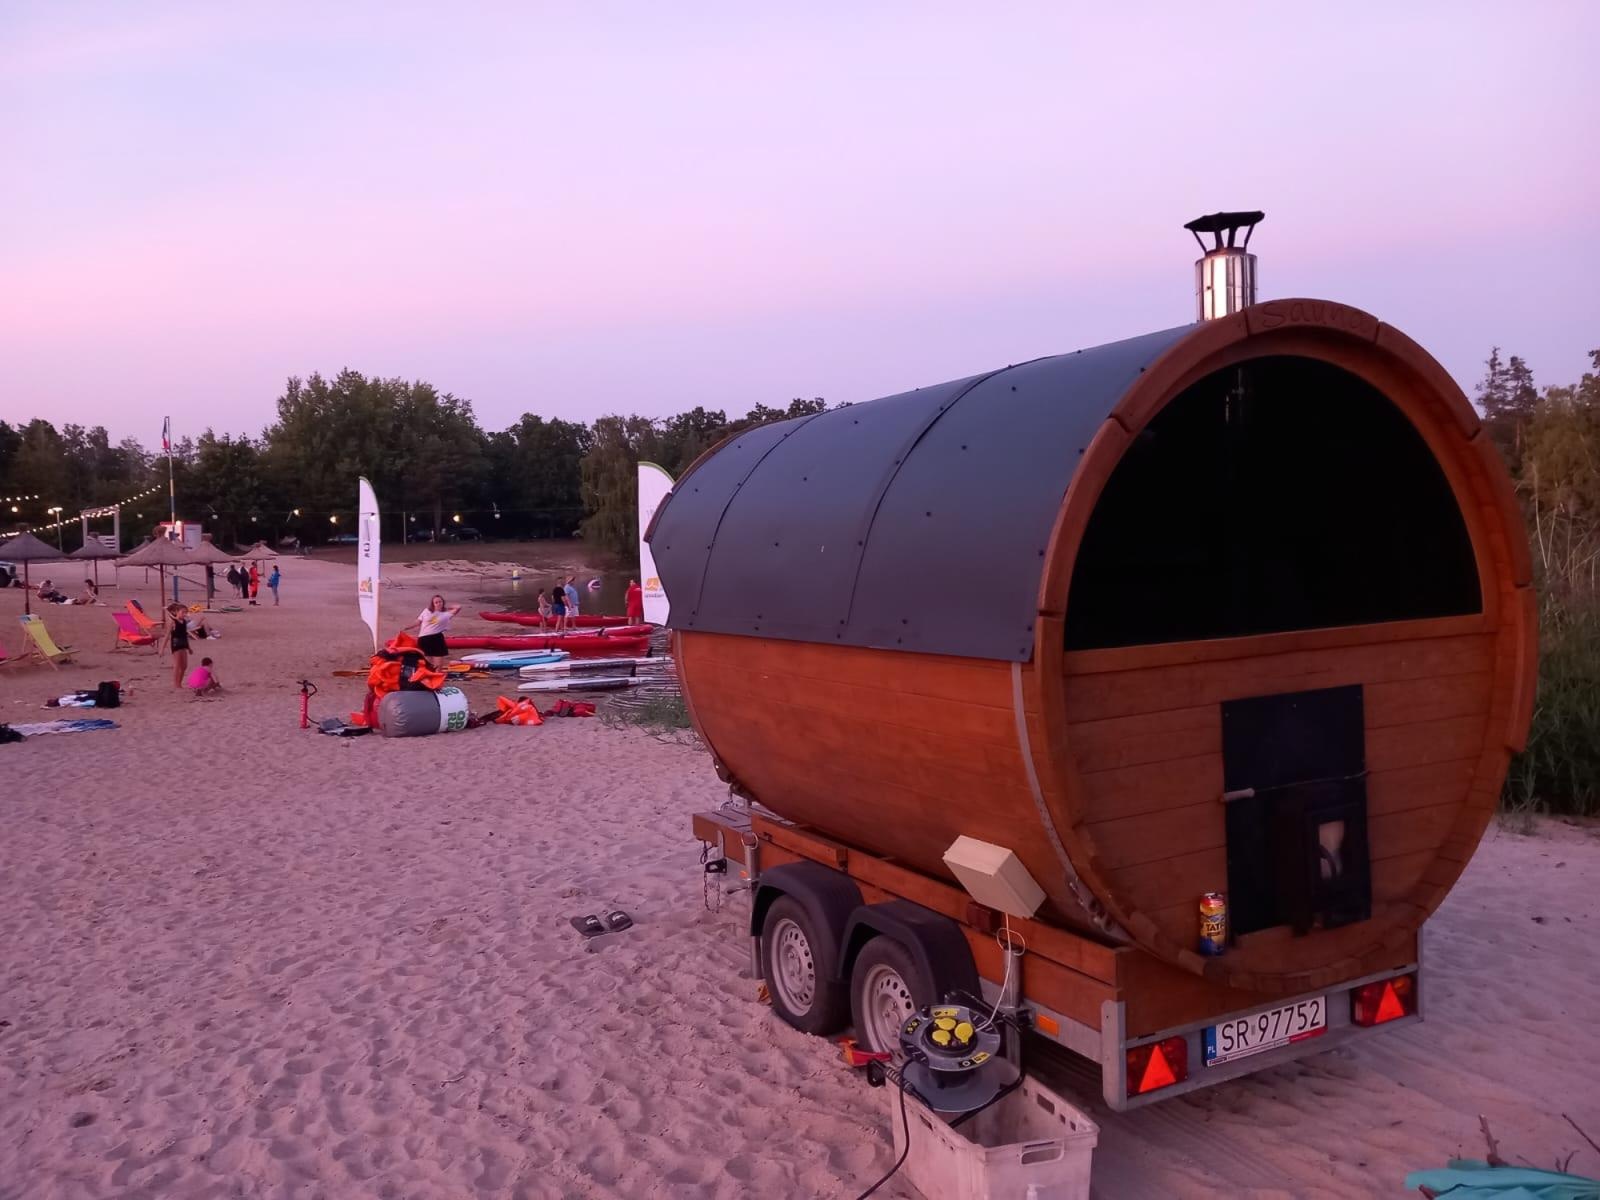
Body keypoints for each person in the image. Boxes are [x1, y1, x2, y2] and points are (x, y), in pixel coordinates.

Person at [405, 594, 460, 667]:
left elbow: (458, 607)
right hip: (425, 638)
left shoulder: (446, 614)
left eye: (440, 602)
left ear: (443, 602)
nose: (438, 604)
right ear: (433, 604)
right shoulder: (427, 611)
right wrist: (408, 627)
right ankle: (427, 676)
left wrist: (446, 608)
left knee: (438, 664)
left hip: (437, 637)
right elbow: (418, 621)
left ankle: (437, 675)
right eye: (436, 602)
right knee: (427, 662)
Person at [166, 602, 191, 690]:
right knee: (177, 665)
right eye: (182, 612)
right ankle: (176, 684)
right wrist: (162, 649)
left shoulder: (184, 622)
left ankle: (179, 683)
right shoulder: (173, 622)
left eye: (185, 612)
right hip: (176, 644)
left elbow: (185, 635)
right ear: (177, 612)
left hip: (183, 644)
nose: (184, 614)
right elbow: (167, 636)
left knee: (184, 666)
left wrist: (189, 648)